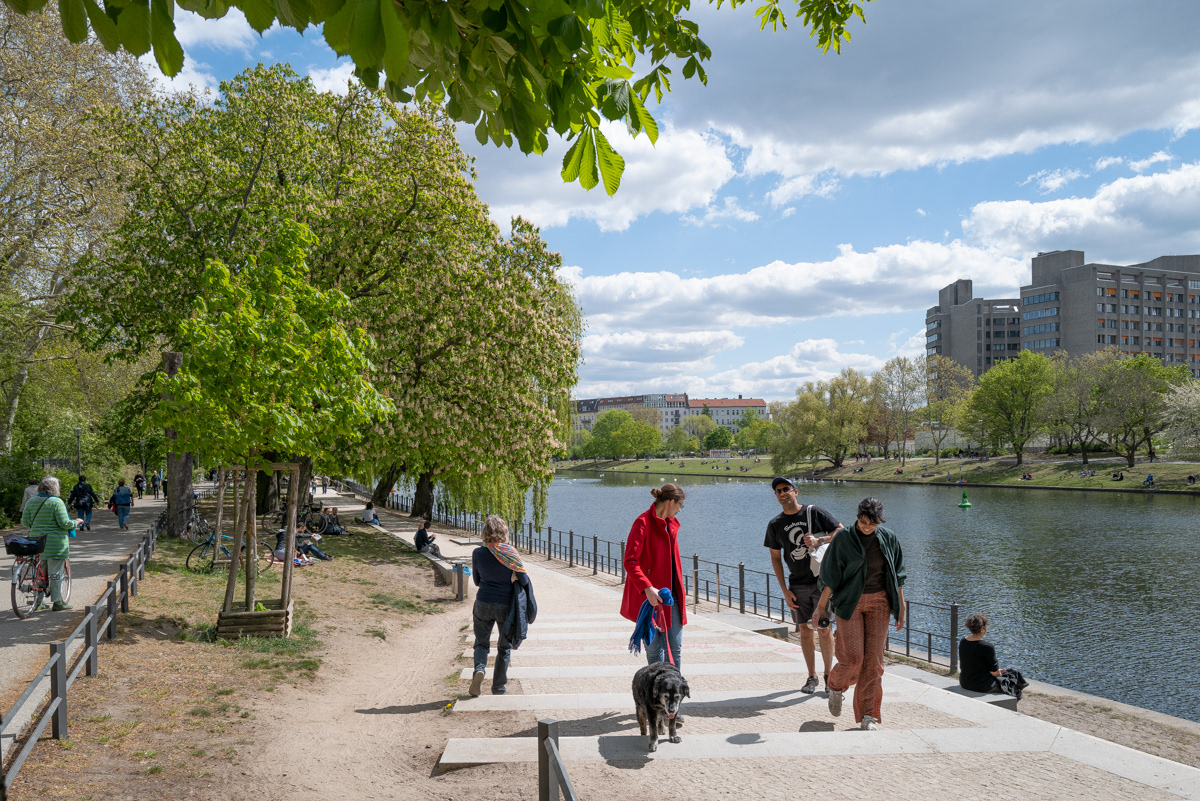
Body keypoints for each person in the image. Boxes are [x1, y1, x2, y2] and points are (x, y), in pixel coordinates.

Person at [814, 497, 906, 731]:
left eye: (872, 524)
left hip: (881, 603)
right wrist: (821, 607)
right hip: (849, 603)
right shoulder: (843, 538)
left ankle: (869, 716)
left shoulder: (889, 537)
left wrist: (901, 606)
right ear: (857, 517)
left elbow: (898, 574)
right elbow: (830, 576)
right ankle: (835, 686)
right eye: (863, 522)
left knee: (873, 663)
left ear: (879, 521)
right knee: (854, 659)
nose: (867, 527)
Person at [764, 476, 843, 694]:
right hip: (796, 584)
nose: (782, 493)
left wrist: (821, 540)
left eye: (786, 489)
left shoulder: (813, 512)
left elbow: (841, 531)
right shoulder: (775, 524)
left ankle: (829, 676)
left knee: (825, 629)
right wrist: (784, 590)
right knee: (805, 630)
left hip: (822, 582)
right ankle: (812, 676)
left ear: (795, 491)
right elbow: (775, 558)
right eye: (778, 491)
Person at [620, 483, 688, 672]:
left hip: (671, 596)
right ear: (671, 502)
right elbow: (630, 561)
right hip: (649, 598)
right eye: (680, 505)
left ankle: (674, 694)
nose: (680, 510)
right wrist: (647, 587)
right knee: (654, 650)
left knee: (675, 649)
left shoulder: (670, 524)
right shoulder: (642, 522)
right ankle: (657, 695)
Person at [470, 515, 529, 696]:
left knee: (481, 643)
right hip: (506, 606)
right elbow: (524, 580)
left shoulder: (478, 553)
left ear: (485, 532)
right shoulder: (511, 553)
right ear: (503, 532)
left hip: (483, 602)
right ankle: (498, 687)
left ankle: (479, 669)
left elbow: (477, 581)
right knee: (504, 647)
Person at [20, 476, 82, 611]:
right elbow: (64, 523)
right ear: (55, 488)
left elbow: (24, 521)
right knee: (55, 573)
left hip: (37, 543)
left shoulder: (32, 501)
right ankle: (58, 602)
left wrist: (37, 526)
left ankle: (38, 601)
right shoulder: (56, 502)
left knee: (39, 572)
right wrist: (76, 522)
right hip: (55, 544)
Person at [959, 613, 1029, 700]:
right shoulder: (987, 647)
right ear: (982, 628)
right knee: (1012, 678)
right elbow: (995, 673)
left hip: (964, 682)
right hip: (982, 685)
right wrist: (999, 672)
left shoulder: (963, 641)